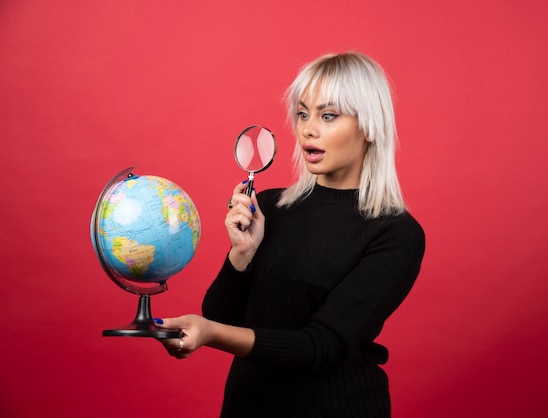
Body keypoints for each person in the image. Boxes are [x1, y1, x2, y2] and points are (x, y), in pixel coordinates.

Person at [155, 51, 426, 418]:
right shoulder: (269, 207)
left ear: (369, 125)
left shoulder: (396, 234)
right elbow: (220, 315)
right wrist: (242, 255)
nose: (308, 129)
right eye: (302, 113)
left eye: (328, 116)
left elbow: (319, 346)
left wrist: (211, 333)